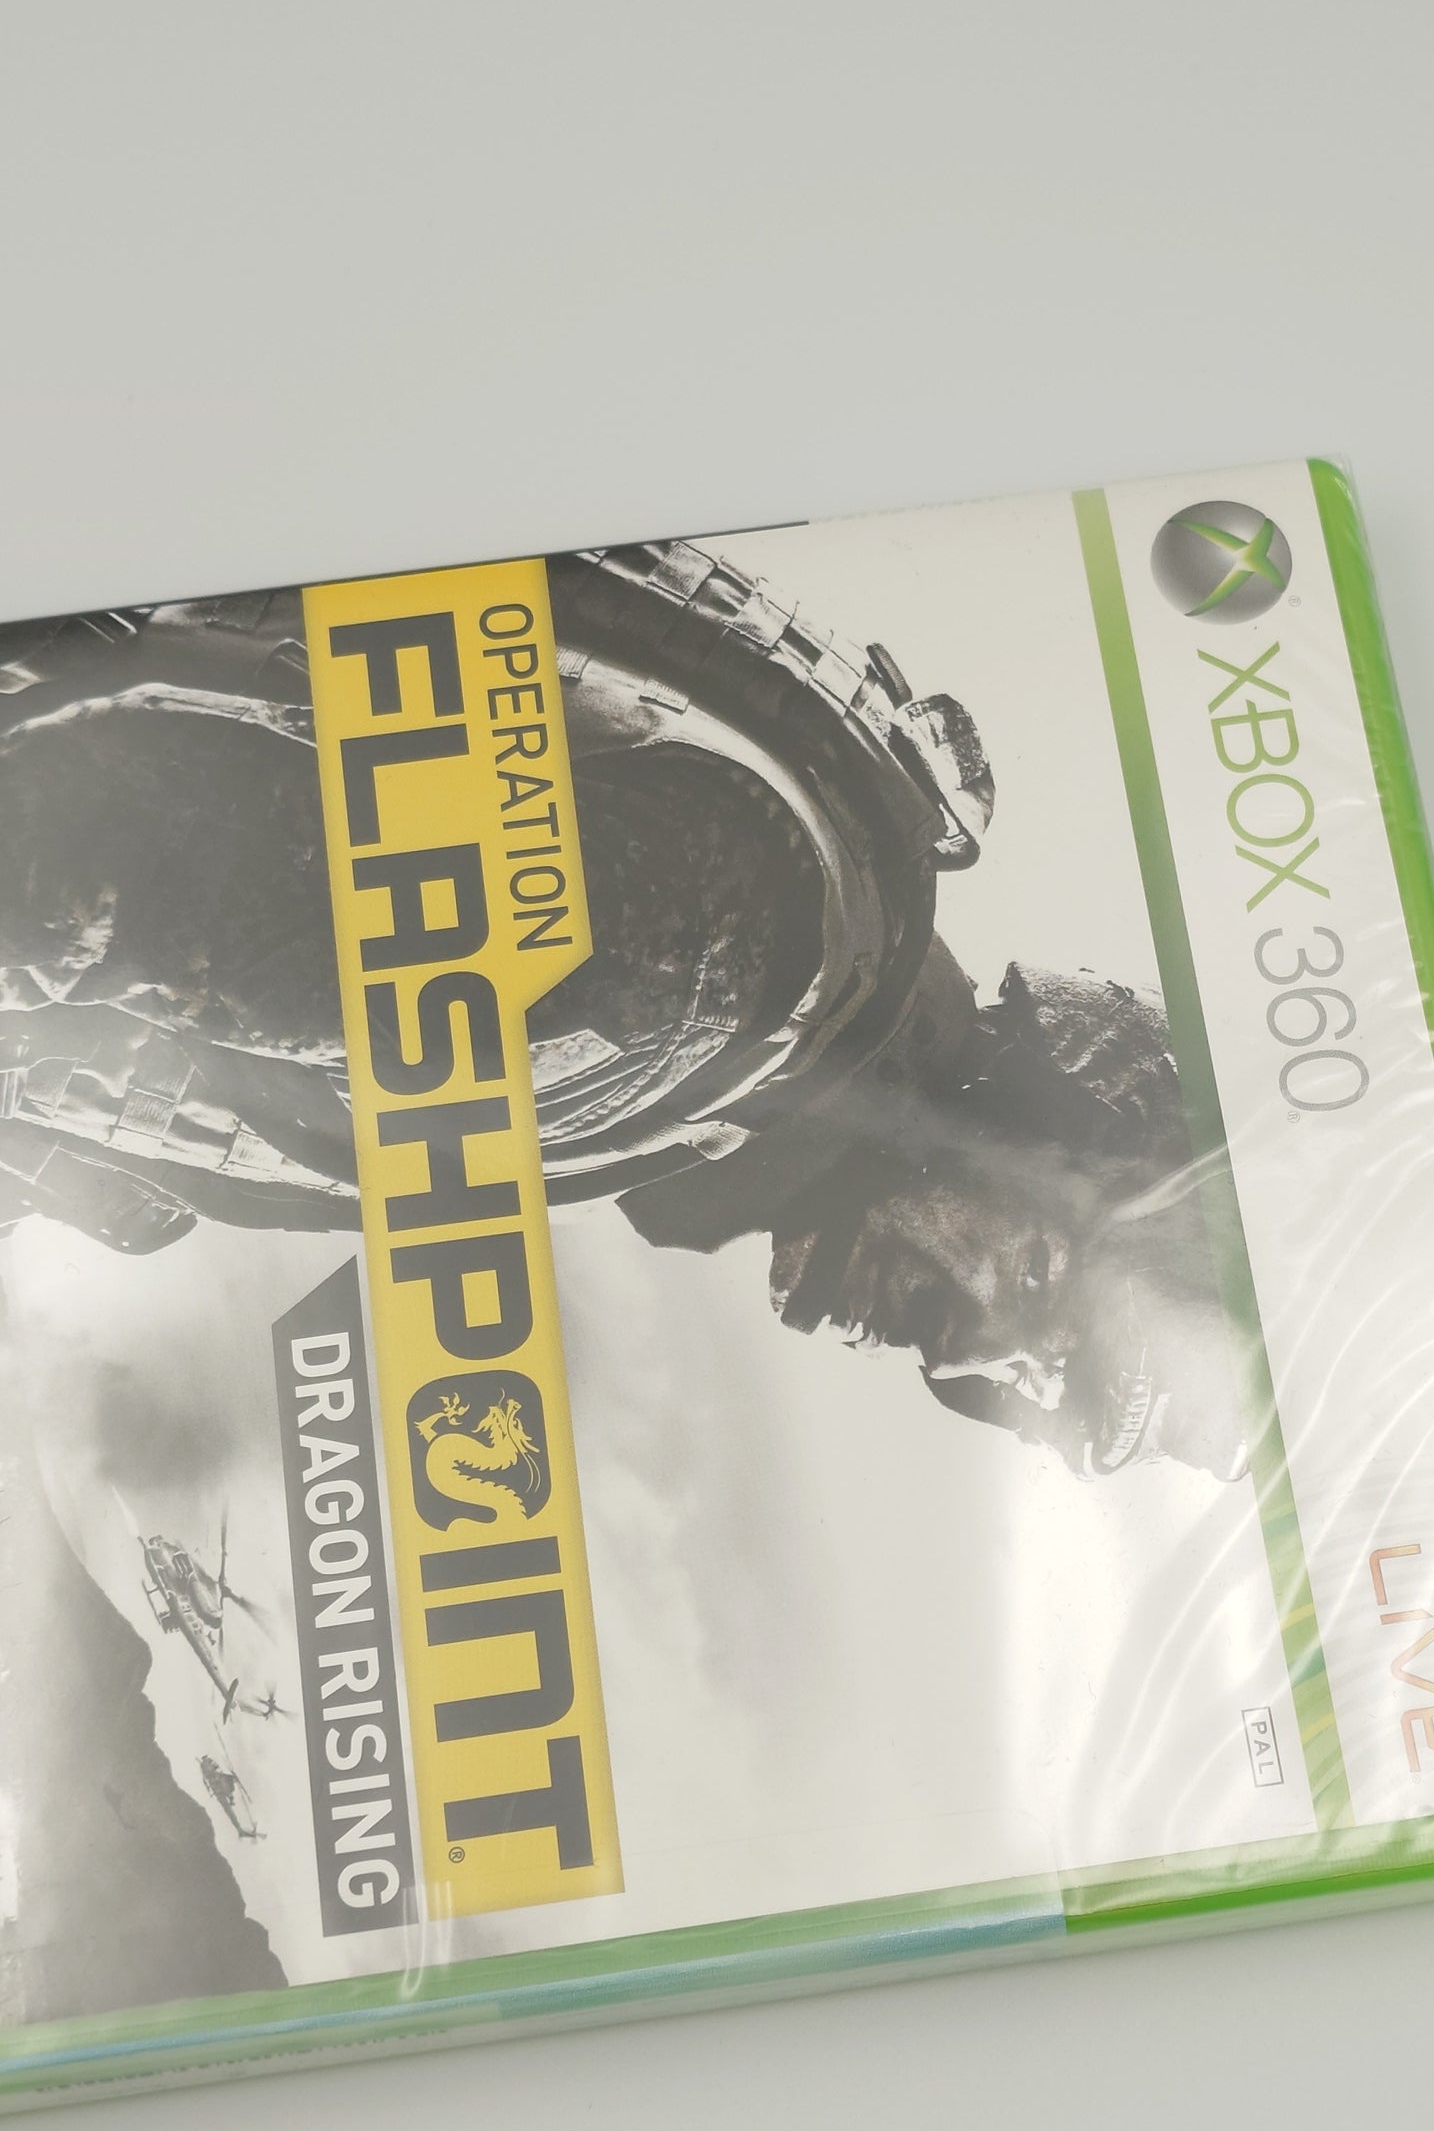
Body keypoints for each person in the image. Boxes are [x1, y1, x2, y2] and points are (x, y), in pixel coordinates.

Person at [0, 539, 1243, 1478]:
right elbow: (74, 873)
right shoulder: (716, 973)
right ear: (1027, 1120)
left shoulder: (753, 1010)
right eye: (1040, 1290)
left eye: (1034, 1384)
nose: (961, 1359)